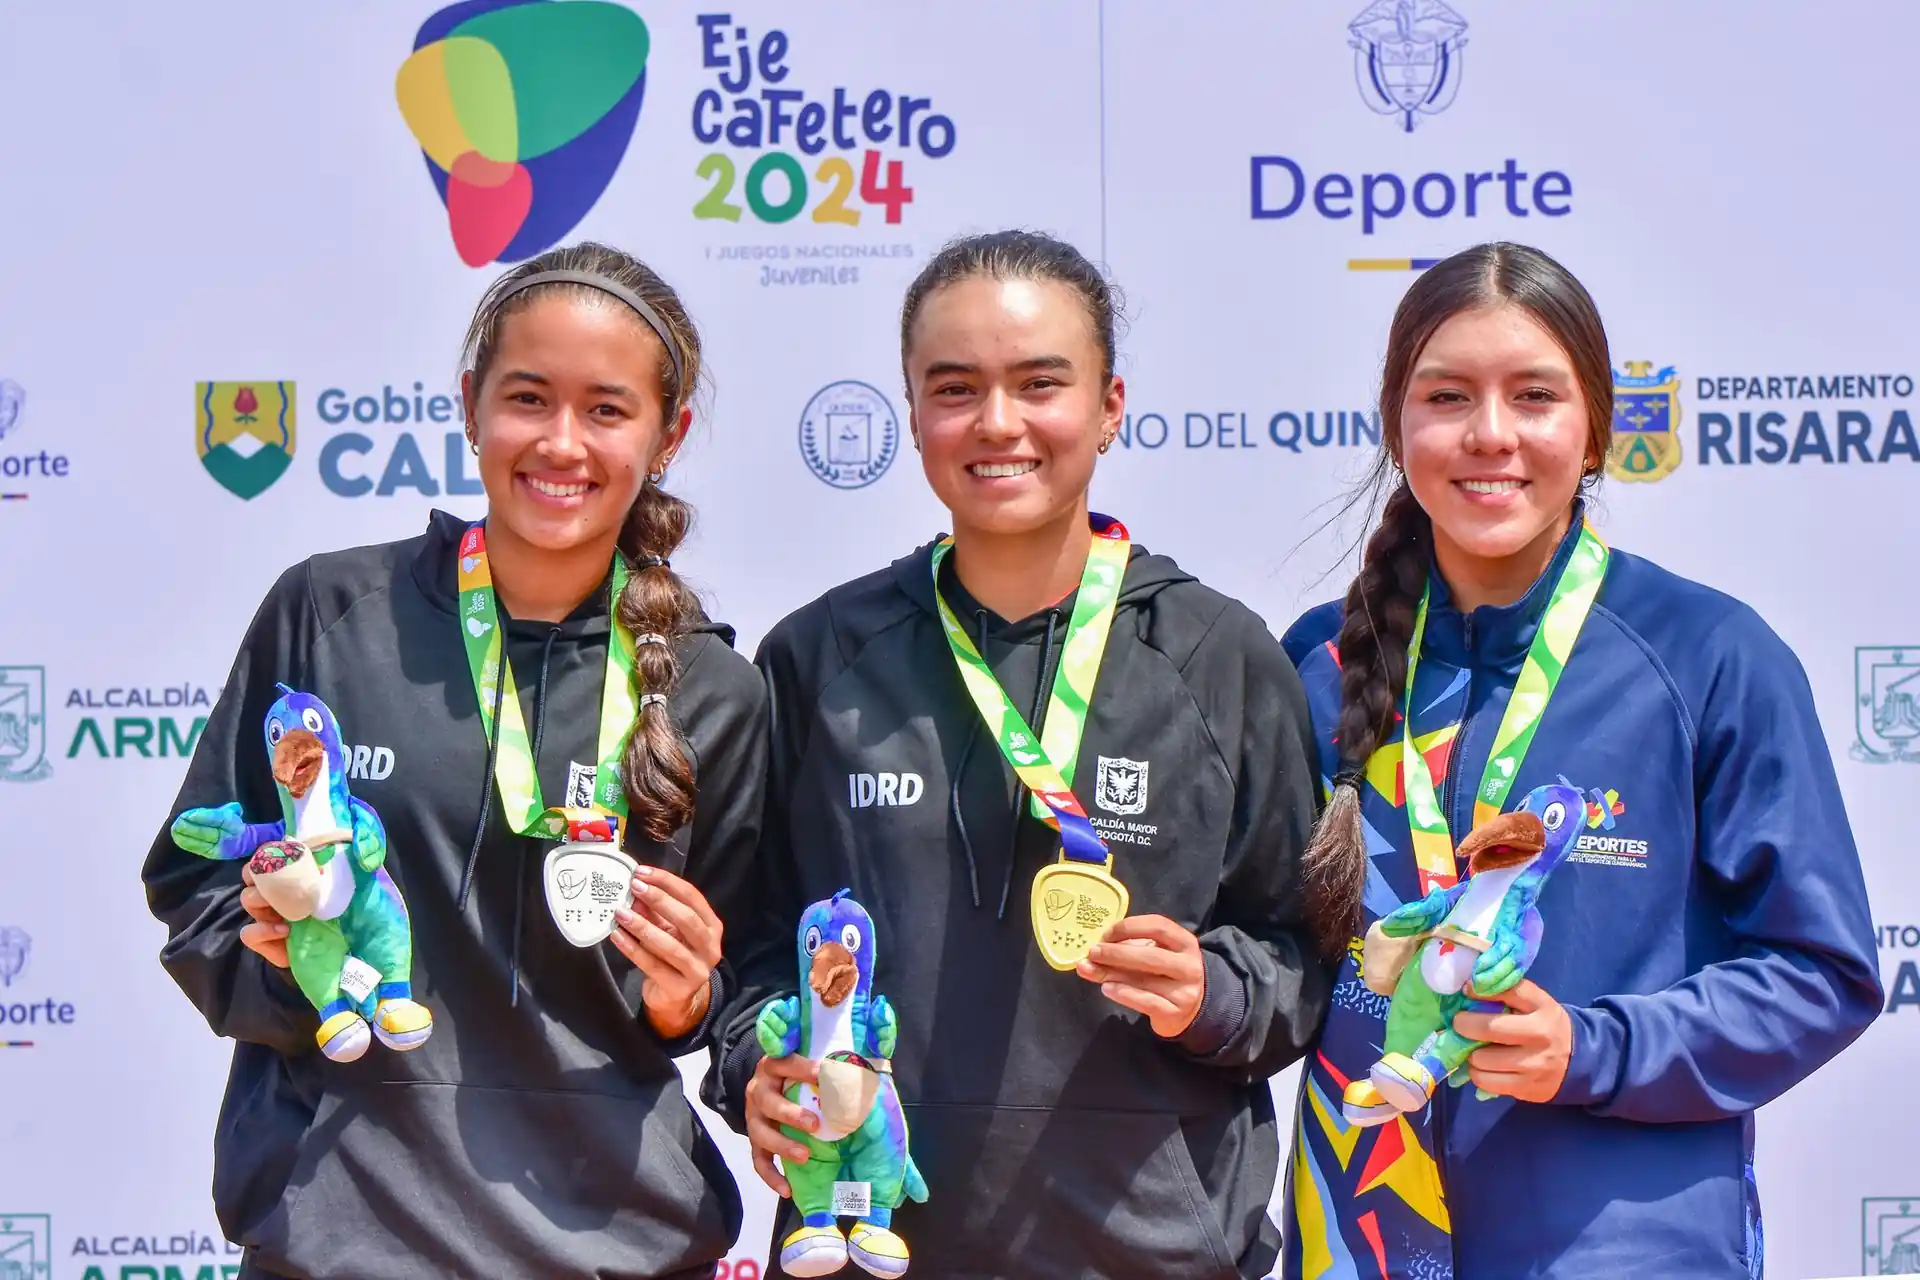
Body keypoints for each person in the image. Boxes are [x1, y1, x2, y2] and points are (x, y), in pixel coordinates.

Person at [701, 229, 1333, 1280]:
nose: (998, 423)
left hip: (1154, 1252)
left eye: (1041, 383)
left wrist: (1210, 990)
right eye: (956, 388)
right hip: (869, 1244)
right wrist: (756, 1064)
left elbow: (1303, 953)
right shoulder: (818, 657)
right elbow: (751, 947)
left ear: (1110, 404)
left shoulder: (1221, 655)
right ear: (912, 415)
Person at [143, 242, 768, 1280]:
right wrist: (290, 958)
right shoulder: (332, 615)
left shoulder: (715, 690)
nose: (562, 442)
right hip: (344, 1240)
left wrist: (686, 996)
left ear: (669, 435)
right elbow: (194, 879)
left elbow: (740, 989)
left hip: (617, 1243)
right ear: (471, 403)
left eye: (608, 409)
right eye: (529, 397)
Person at [1277, 241, 1882, 1279]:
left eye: (1536, 396)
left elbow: (1822, 971)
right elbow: (1275, 959)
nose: (1491, 434)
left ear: (1596, 425)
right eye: (1448, 395)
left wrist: (1597, 1048)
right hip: (1357, 1240)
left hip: (1618, 1250)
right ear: (1396, 422)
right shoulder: (1322, 663)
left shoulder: (1707, 655)